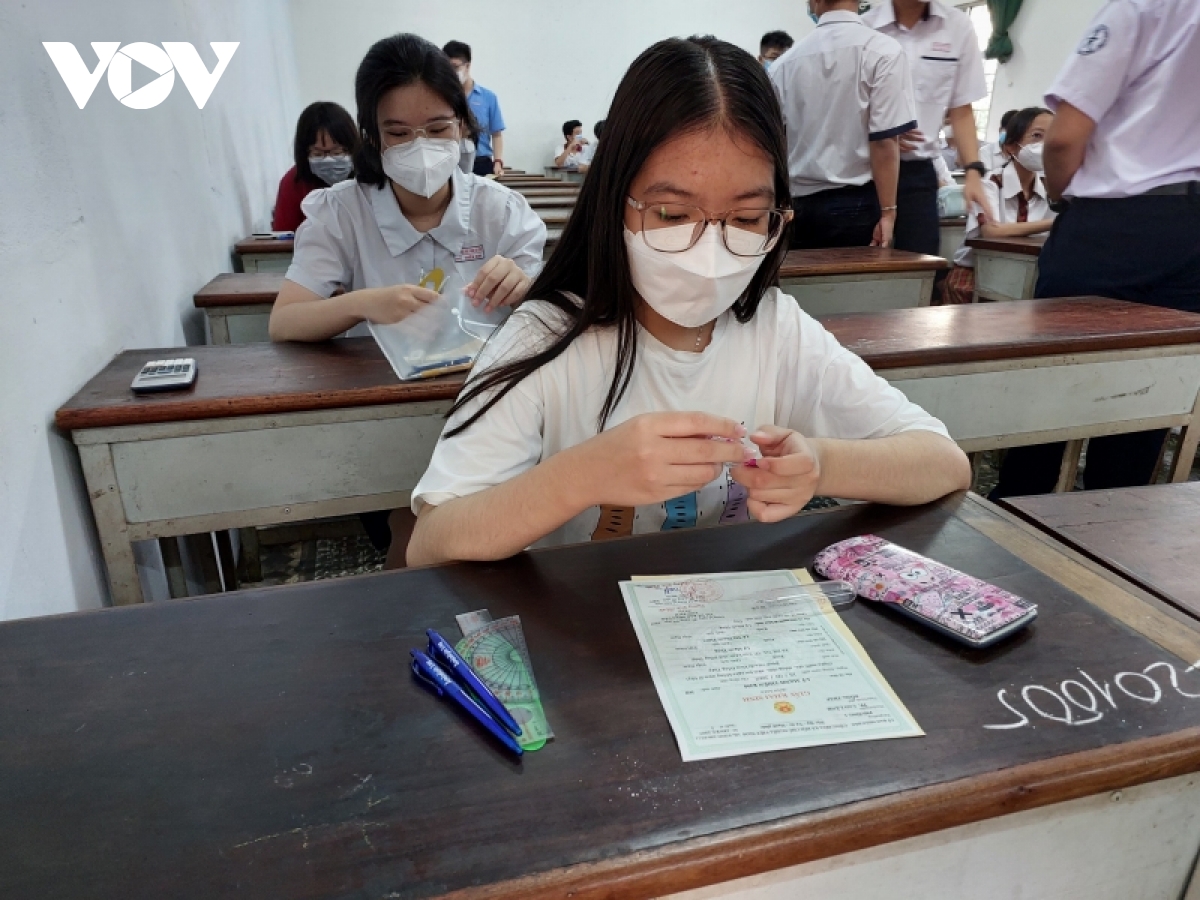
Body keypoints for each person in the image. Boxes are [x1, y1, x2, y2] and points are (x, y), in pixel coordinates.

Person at [405, 35, 970, 567]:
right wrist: (580, 475)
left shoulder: (774, 328)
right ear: (614, 202)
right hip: (582, 634)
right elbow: (433, 541)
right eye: (673, 215)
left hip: (723, 633)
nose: (710, 249)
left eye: (747, 218)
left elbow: (943, 463)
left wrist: (822, 464)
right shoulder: (547, 339)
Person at [269, 35, 546, 562]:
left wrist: (529, 286)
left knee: (498, 538)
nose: (420, 147)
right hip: (382, 417)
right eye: (398, 133)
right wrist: (362, 303)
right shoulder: (340, 212)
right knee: (411, 537)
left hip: (488, 407)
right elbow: (286, 321)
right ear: (371, 136)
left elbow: (562, 312)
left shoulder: (501, 211)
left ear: (464, 124)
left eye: (438, 129)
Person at [991, 0, 1200, 498]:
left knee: (1053, 381)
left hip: (1112, 223)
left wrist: (1065, 198)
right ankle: (1109, 531)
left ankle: (1021, 517)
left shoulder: (1138, 8)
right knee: (1148, 392)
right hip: (1192, 230)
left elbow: (1064, 140)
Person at [771, 0, 915, 249]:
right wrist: (889, 212)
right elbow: (883, 141)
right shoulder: (883, 51)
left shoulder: (783, 65)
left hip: (797, 205)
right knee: (856, 287)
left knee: (800, 287)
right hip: (855, 204)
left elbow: (775, 144)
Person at [863, 0, 992, 256]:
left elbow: (961, 109)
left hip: (919, 174)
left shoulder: (957, 27)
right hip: (866, 172)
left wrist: (973, 172)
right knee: (865, 262)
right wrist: (882, 135)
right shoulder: (866, 28)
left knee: (921, 264)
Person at [943, 107, 1056, 304]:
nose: (1044, 145)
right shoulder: (989, 184)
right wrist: (1051, 224)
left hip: (1023, 274)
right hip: (976, 273)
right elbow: (991, 231)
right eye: (1037, 136)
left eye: (1051, 137)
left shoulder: (1049, 190)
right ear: (1011, 146)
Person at [272, 102, 358, 232]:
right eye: (317, 154)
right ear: (304, 154)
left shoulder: (370, 177)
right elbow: (283, 238)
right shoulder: (293, 182)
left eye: (337, 153)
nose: (328, 160)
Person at [443, 41, 506, 177]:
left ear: (467, 66)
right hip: (450, 163)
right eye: (446, 68)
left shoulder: (488, 97)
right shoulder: (442, 97)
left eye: (455, 67)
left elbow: (496, 134)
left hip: (481, 163)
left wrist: (498, 161)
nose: (451, 73)